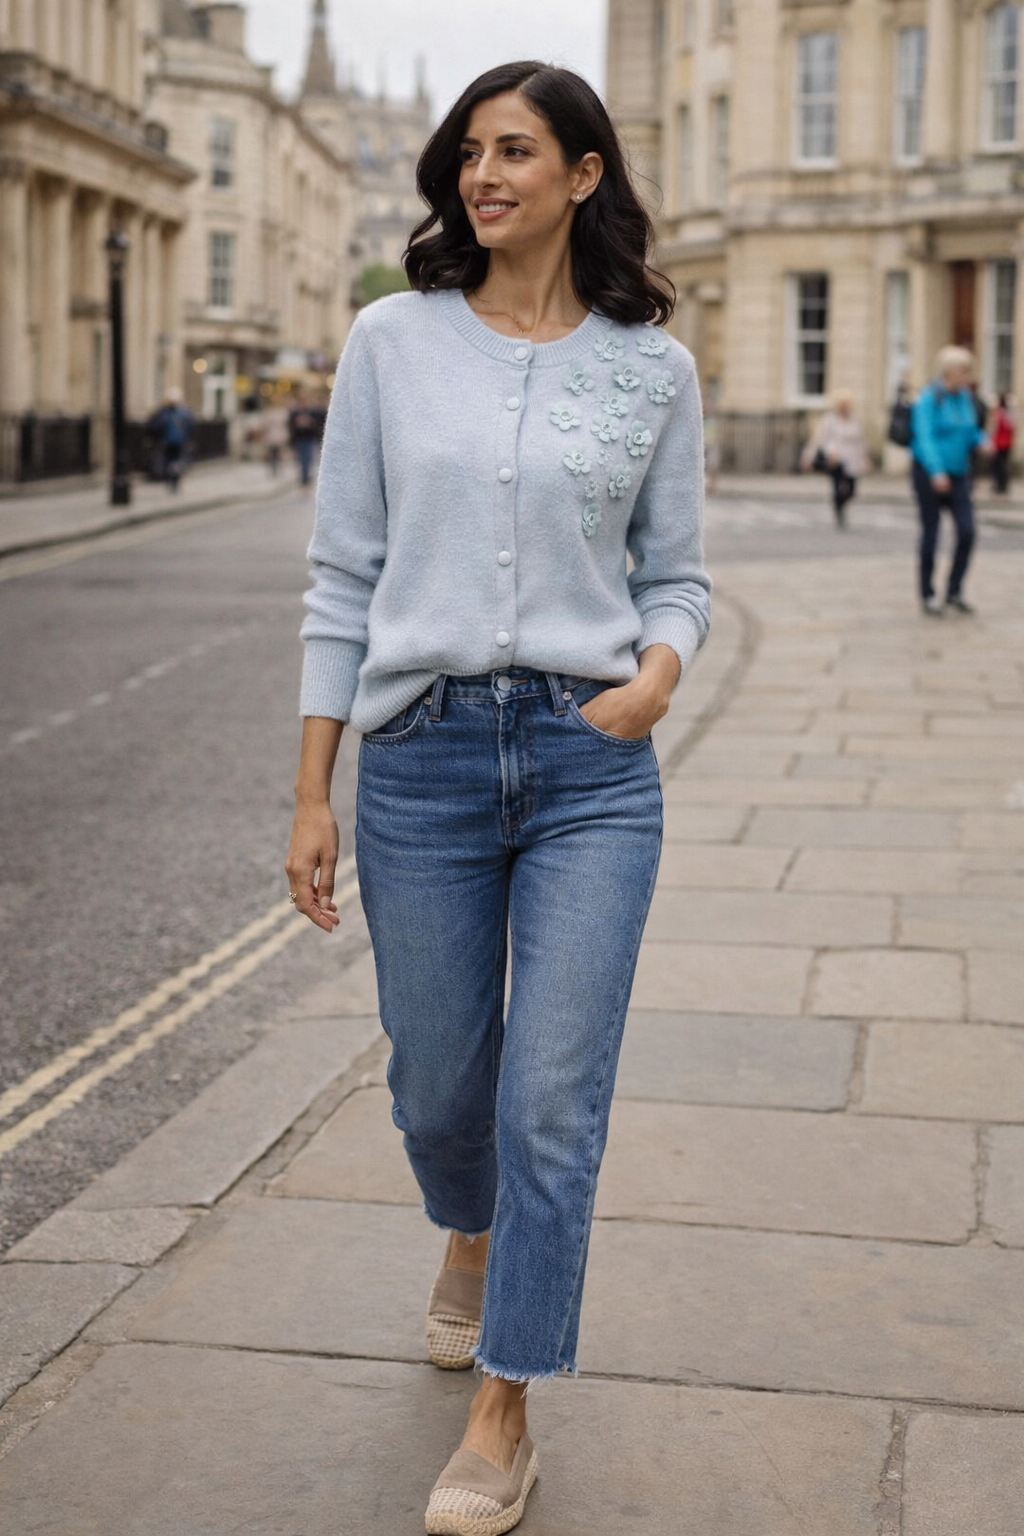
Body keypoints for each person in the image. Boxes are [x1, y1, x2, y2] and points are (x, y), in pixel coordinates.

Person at [285, 60, 711, 1536]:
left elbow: (678, 573)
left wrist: (658, 676)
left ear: (585, 173)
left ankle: (505, 1404)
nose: (485, 176)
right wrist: (312, 792)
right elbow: (342, 579)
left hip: (595, 765)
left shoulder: (652, 363)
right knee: (440, 1085)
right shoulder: (392, 343)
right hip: (425, 760)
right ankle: (461, 1235)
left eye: (517, 151)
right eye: (469, 152)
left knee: (551, 1104)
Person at [911, 346, 991, 615]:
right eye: (964, 371)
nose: (968, 376)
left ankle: (954, 590)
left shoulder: (965, 398)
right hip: (929, 474)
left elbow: (970, 431)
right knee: (931, 534)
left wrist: (983, 442)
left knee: (967, 531)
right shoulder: (929, 398)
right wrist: (936, 471)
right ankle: (928, 594)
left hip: (959, 474)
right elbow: (924, 437)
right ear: (949, 371)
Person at [800, 390, 869, 528]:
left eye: (847, 404)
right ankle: (838, 511)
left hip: (852, 459)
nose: (845, 406)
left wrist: (865, 458)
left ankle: (841, 505)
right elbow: (818, 439)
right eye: (842, 404)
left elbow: (861, 441)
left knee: (851, 490)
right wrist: (808, 457)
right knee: (837, 487)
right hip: (835, 459)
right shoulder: (830, 420)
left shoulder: (854, 420)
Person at [146, 387, 194, 491]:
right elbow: (190, 426)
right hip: (176, 441)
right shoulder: (183, 412)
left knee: (170, 461)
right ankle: (173, 479)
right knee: (175, 461)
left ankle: (172, 479)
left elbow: (154, 426)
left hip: (169, 441)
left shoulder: (164, 413)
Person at [288, 390, 324, 490]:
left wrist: (310, 423)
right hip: (299, 439)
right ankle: (303, 479)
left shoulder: (313, 412)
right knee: (301, 460)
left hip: (309, 438)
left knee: (308, 459)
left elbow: (320, 424)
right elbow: (290, 426)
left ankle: (306, 480)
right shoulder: (294, 412)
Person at [990, 392, 1016, 493]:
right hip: (1007, 442)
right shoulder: (1009, 414)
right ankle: (1003, 484)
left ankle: (1000, 484)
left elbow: (995, 429)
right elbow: (1013, 428)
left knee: (998, 465)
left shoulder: (999, 413)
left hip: (999, 442)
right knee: (1004, 464)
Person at [263, 401, 290, 477]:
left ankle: (278, 468)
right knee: (272, 453)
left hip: (279, 435)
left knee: (279, 453)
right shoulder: (269, 412)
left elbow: (284, 425)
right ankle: (273, 468)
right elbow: (266, 425)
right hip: (272, 435)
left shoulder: (282, 412)